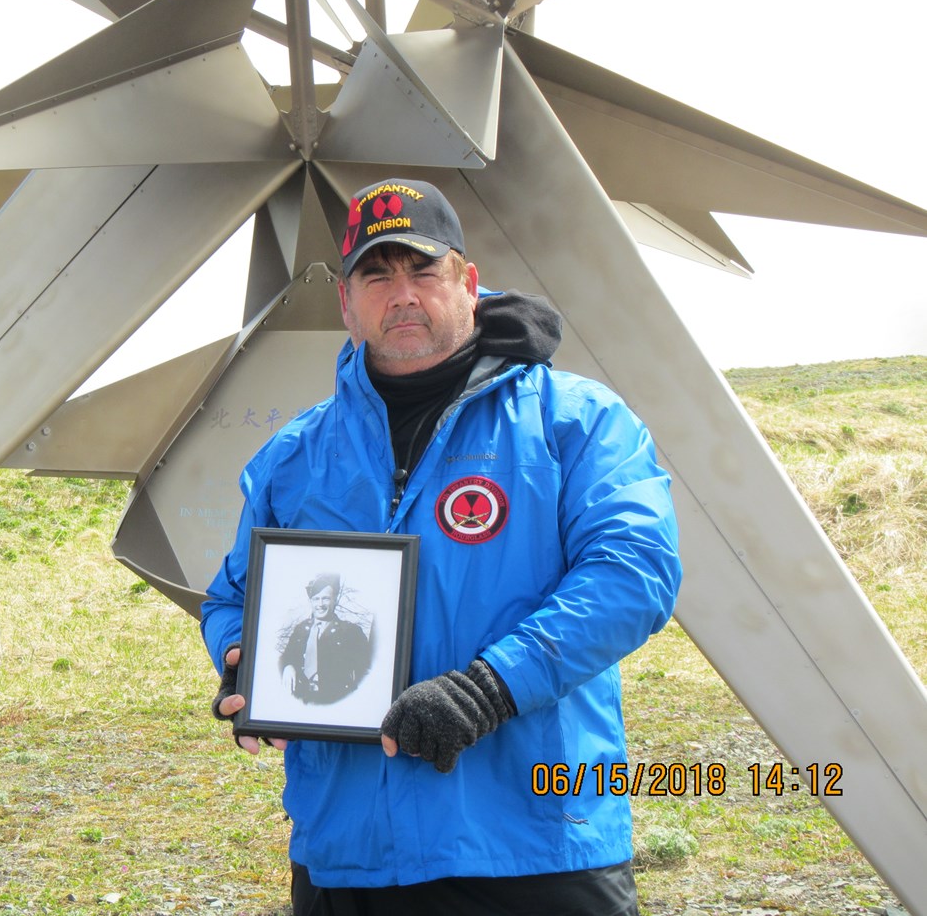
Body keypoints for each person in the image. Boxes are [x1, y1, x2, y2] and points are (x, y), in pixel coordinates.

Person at [200, 177, 681, 916]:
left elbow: (634, 573)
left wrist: (489, 688)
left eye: (422, 268)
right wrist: (245, 657)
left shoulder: (575, 421)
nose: (401, 294)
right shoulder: (294, 456)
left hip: (539, 846)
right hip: (350, 854)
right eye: (376, 273)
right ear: (347, 302)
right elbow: (233, 594)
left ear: (468, 282)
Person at [278, 572, 371, 704]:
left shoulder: (350, 632)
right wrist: (287, 666)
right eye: (316, 599)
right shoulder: (301, 630)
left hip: (336, 701)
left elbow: (366, 670)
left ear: (334, 600)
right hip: (302, 700)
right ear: (311, 601)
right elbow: (286, 657)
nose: (320, 604)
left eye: (325, 598)